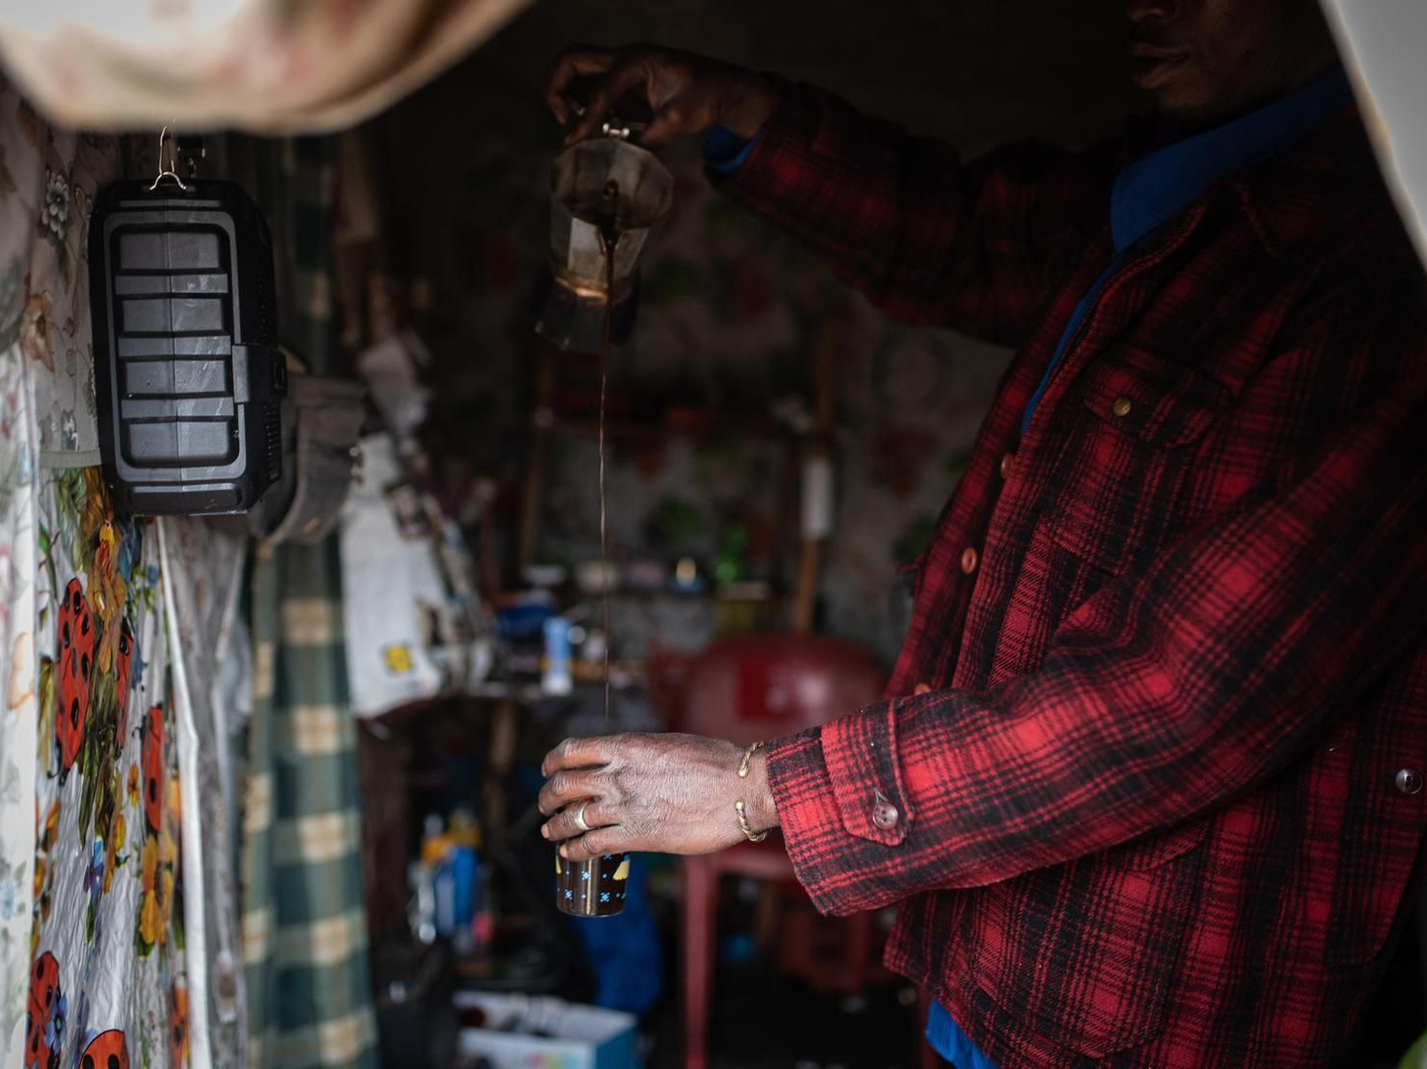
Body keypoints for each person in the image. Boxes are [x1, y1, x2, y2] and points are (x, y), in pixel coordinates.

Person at [535, 1, 1427, 1066]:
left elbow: (1176, 695)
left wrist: (751, 786)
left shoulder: (1374, 281)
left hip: (1151, 1012)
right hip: (994, 953)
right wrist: (735, 106)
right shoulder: (1149, 196)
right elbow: (954, 233)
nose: (1144, 1)